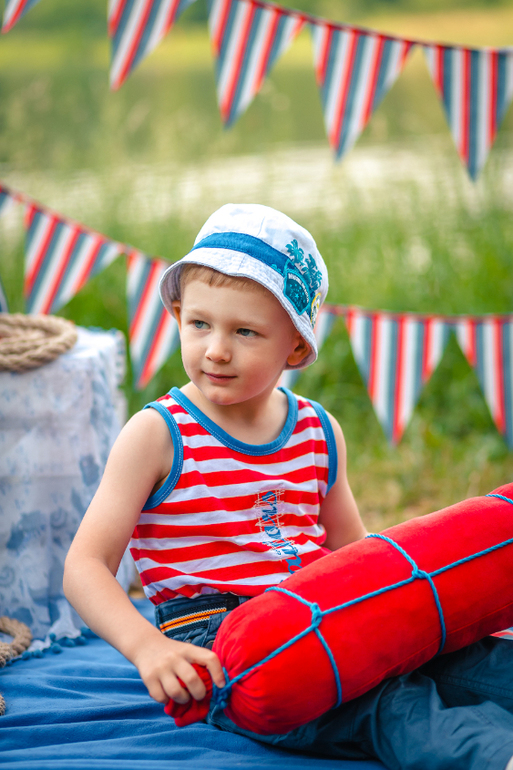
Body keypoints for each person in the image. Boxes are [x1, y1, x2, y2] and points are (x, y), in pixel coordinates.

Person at [64, 203, 513, 770]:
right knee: (385, 705)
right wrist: (148, 647)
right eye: (199, 324)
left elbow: (356, 554)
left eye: (245, 331)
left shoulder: (316, 429)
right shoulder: (157, 434)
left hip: (324, 607)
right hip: (226, 640)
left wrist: (408, 625)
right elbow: (85, 565)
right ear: (177, 314)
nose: (216, 348)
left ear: (295, 348)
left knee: (472, 660)